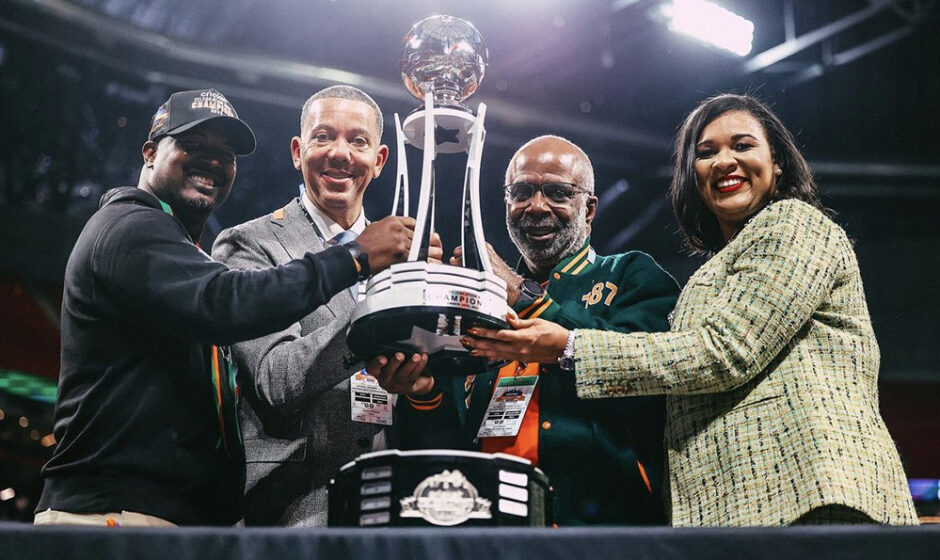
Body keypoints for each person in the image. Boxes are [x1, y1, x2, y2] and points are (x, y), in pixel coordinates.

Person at [462, 94, 919, 526]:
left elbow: (726, 350)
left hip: (809, 490)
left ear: (776, 164)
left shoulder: (793, 223)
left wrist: (565, 342)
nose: (724, 161)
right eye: (706, 152)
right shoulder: (714, 270)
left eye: (742, 145)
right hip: (736, 507)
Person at [35, 88, 420, 527]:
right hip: (116, 509)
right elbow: (232, 306)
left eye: (226, 153)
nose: (212, 162)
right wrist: (356, 262)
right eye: (193, 146)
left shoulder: (179, 250)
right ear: (149, 153)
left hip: (167, 514)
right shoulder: (130, 228)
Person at [399, 135, 680, 525]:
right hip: (490, 535)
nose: (536, 206)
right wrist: (423, 392)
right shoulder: (479, 302)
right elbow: (445, 444)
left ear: (590, 208)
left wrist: (522, 293)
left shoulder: (632, 275)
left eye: (558, 193)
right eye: (523, 191)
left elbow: (651, 381)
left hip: (603, 537)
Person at [211, 85, 439, 527]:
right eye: (323, 137)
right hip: (285, 511)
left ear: (379, 159)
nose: (340, 153)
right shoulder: (250, 244)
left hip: (391, 507)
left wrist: (426, 382)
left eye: (357, 140)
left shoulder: (407, 254)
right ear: (298, 151)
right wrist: (373, 303)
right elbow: (275, 381)